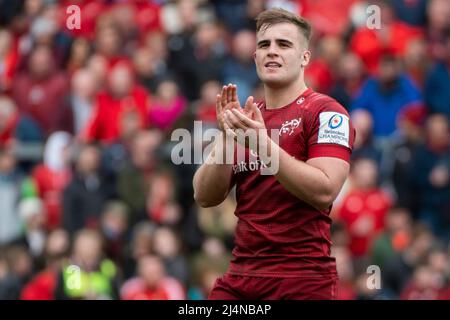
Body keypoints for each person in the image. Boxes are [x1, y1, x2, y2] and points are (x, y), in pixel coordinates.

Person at [193, 8, 355, 300]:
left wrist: (261, 144)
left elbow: (325, 190)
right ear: (255, 57)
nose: (272, 51)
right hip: (242, 275)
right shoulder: (246, 119)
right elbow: (205, 196)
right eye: (264, 45)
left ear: (305, 57)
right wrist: (228, 139)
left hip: (302, 279)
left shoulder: (327, 112)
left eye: (284, 44)